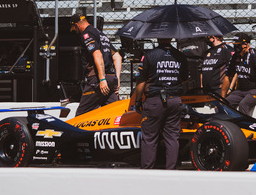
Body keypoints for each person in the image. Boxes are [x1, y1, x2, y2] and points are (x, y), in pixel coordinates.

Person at [134, 38, 188, 169]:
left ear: (158, 38)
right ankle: (171, 170)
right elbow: (185, 81)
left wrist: (137, 100)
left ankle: (147, 171)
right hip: (175, 99)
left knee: (149, 138)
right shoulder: (180, 56)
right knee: (172, 137)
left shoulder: (149, 55)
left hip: (155, 100)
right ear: (171, 38)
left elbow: (141, 81)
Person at [71, 14, 123, 116]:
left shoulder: (87, 34)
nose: (75, 32)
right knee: (113, 114)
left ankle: (76, 132)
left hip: (97, 80)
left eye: (74, 29)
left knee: (81, 116)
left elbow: (97, 54)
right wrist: (117, 79)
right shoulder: (101, 34)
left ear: (76, 25)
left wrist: (102, 79)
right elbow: (117, 56)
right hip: (111, 78)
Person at [226, 33, 256, 115]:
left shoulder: (254, 55)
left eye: (238, 45)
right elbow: (228, 76)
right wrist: (223, 97)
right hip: (240, 91)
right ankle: (229, 125)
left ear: (245, 45)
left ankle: (245, 126)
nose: (235, 48)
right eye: (234, 45)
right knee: (225, 103)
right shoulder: (235, 57)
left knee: (243, 104)